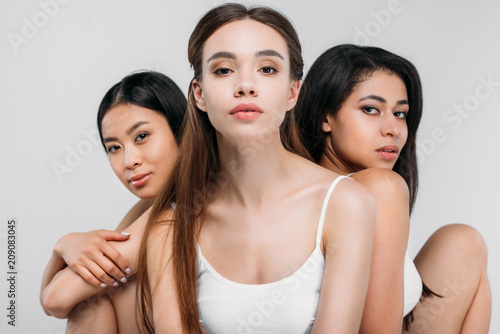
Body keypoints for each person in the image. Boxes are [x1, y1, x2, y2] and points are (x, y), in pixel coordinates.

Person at [135, 4, 376, 334]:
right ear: (200, 94)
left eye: (267, 69)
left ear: (293, 92)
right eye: (223, 70)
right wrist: (65, 250)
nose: (245, 85)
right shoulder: (171, 225)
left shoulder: (345, 203)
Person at [294, 44, 491, 334]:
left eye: (400, 114)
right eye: (371, 109)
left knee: (463, 242)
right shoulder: (379, 188)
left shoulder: (375, 190)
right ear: (326, 118)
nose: (393, 129)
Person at [40, 71, 187, 333]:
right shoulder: (152, 206)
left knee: (92, 299)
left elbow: (55, 299)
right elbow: (53, 306)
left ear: (181, 130)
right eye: (114, 148)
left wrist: (63, 246)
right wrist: (61, 248)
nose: (129, 160)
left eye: (141, 136)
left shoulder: (180, 210)